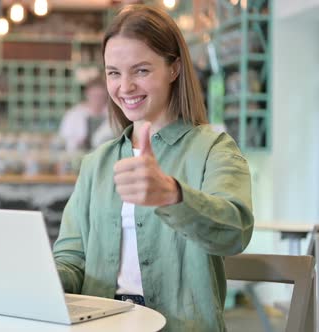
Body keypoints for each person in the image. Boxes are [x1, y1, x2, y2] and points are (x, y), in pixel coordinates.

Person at [52, 5, 254, 332]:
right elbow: (72, 260)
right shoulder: (97, 163)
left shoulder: (213, 148)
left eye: (141, 70)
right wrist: (34, 278)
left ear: (174, 68)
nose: (125, 86)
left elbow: (235, 232)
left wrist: (172, 195)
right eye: (114, 72)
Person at [58, 77, 113, 151]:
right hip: (77, 156)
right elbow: (64, 138)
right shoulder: (74, 114)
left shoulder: (113, 115)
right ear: (87, 94)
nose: (98, 100)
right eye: (95, 96)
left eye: (101, 96)